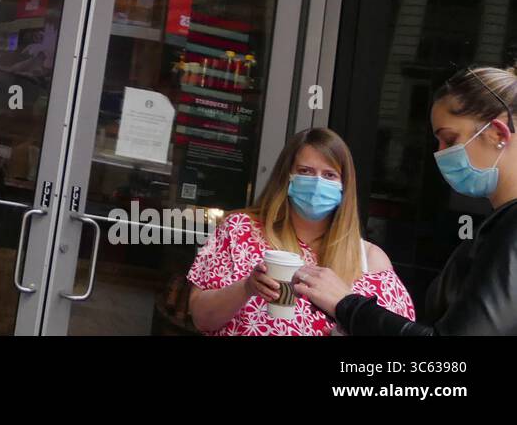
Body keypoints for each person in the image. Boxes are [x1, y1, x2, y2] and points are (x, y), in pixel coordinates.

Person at [295, 66, 517, 335]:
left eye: (449, 139)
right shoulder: (500, 223)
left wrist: (347, 304)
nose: (440, 153)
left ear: (497, 134)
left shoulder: (510, 227)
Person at [186, 127, 414, 335]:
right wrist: (246, 288)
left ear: (345, 185)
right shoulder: (240, 230)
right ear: (286, 177)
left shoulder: (369, 260)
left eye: (329, 175)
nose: (317, 183)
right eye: (305, 171)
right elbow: (201, 318)